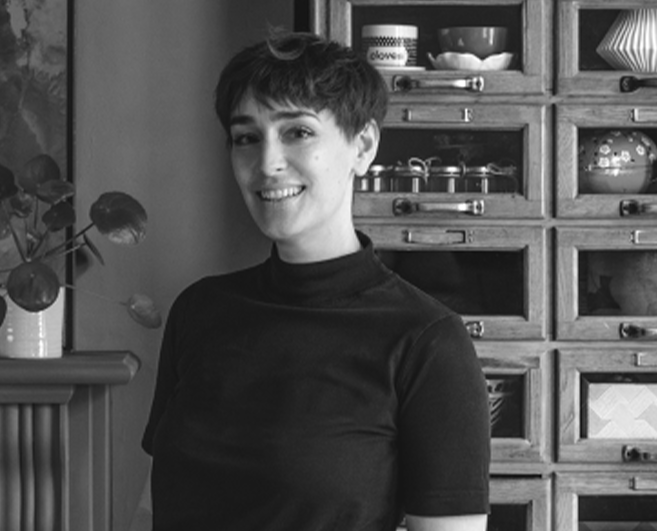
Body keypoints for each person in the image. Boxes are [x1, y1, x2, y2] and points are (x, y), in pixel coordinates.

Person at [142, 31, 490, 531]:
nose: (267, 164)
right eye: (246, 138)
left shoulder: (427, 343)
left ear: (363, 146)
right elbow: (150, 510)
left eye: (298, 132)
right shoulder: (198, 311)